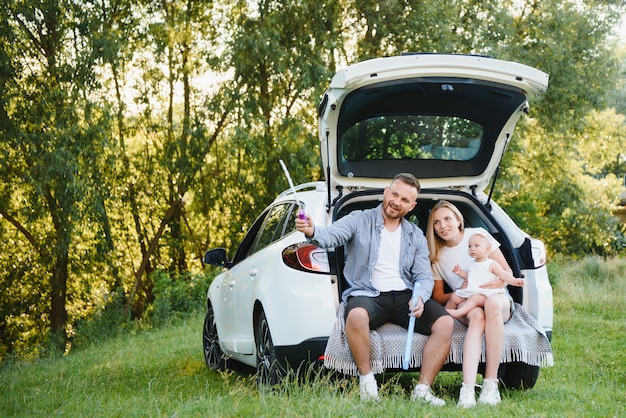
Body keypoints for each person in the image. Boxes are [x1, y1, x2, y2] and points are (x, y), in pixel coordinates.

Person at [296, 173, 454, 404]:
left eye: (404, 199)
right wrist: (312, 230)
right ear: (386, 192)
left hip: (404, 295)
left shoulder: (415, 235)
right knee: (356, 315)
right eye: (394, 194)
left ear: (412, 206)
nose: (396, 201)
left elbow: (423, 275)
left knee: (446, 323)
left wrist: (419, 297)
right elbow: (331, 236)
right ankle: (367, 382)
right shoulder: (358, 219)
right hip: (367, 292)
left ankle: (422, 390)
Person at [426, 200, 513, 408]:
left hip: (496, 297)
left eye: (447, 219)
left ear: (458, 220)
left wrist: (494, 283)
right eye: (436, 222)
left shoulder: (477, 235)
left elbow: (507, 273)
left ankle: (490, 385)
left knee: (490, 304)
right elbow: (438, 297)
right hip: (468, 302)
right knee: (476, 316)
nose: (443, 226)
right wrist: (459, 292)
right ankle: (467, 389)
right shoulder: (436, 255)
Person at [445, 232, 525, 319]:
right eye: (470, 246)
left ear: (488, 249)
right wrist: (460, 273)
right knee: (454, 297)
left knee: (474, 299)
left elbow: (503, 274)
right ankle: (444, 315)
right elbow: (471, 276)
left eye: (476, 245)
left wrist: (514, 281)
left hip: (485, 294)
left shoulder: (491, 264)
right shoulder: (472, 264)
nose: (472, 248)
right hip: (472, 291)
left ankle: (458, 312)